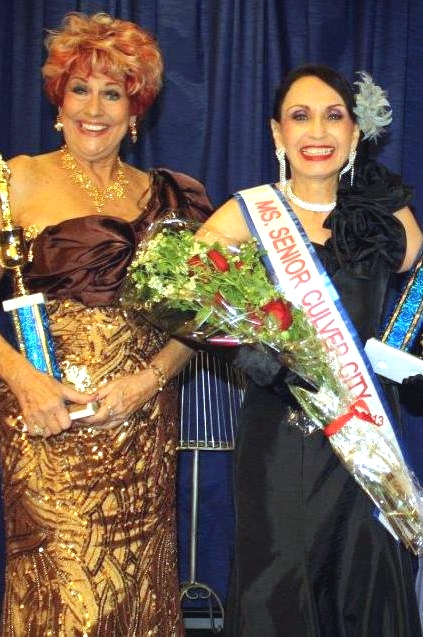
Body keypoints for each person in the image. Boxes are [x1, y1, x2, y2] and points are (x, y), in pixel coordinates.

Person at [0, 12, 213, 636]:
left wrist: (147, 383)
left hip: (142, 423)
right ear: (59, 101)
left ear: (136, 107)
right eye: (81, 89)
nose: (96, 107)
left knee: (139, 591)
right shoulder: (20, 179)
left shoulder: (166, 195)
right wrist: (23, 379)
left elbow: (198, 318)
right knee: (68, 599)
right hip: (49, 421)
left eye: (113, 92)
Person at [196, 64, 423, 636]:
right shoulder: (244, 215)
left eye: (333, 116)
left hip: (366, 436)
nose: (316, 132)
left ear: (353, 132)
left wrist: (413, 363)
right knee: (282, 580)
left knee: (367, 574)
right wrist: (241, 347)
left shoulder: (387, 214)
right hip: (280, 438)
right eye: (300, 117)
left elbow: (417, 291)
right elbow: (179, 301)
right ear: (277, 133)